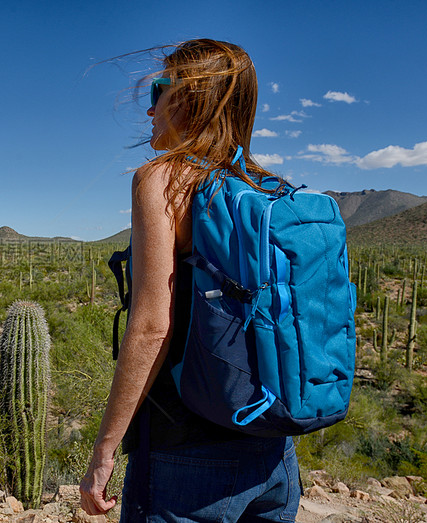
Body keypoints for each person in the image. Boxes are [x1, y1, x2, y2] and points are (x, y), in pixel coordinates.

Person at [79, 39, 301, 522]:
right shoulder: (265, 187)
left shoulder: (161, 178)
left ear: (191, 98)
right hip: (274, 451)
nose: (151, 109)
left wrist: (103, 455)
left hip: (185, 456)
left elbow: (151, 327)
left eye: (159, 90)